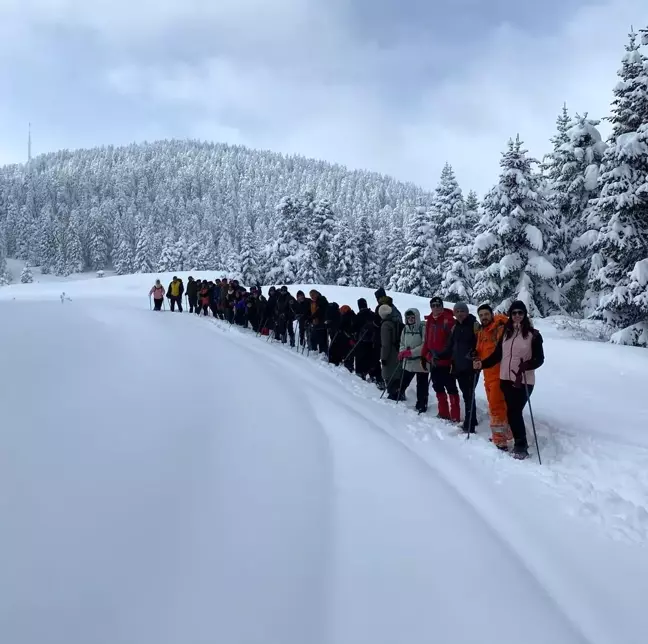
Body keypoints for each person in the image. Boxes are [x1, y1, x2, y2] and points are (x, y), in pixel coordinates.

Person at [474, 300, 545, 460]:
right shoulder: (506, 333)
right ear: (510, 315)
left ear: (525, 314)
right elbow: (497, 355)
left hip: (523, 380)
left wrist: (527, 365)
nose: (517, 316)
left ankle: (521, 445)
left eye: (520, 313)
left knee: (514, 411)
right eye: (514, 313)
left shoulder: (533, 335)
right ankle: (512, 437)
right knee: (510, 411)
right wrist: (482, 364)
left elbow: (540, 359)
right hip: (504, 379)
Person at [435, 301, 479, 432]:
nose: (460, 314)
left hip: (471, 366)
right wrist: (439, 355)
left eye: (462, 311)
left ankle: (469, 424)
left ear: (467, 312)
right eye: (457, 311)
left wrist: (474, 354)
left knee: (468, 394)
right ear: (454, 313)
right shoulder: (455, 327)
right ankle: (472, 418)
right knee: (467, 393)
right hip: (458, 366)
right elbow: (450, 346)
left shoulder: (474, 326)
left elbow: (479, 345)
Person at [476, 304, 511, 450]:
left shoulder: (499, 328)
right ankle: (507, 433)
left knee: (496, 408)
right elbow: (480, 350)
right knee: (497, 406)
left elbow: (501, 352)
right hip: (487, 375)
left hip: (498, 375)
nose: (484, 317)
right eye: (481, 315)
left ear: (491, 314)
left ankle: (499, 440)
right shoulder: (482, 332)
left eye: (486, 314)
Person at [420, 296, 459, 420]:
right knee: (437, 387)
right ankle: (443, 413)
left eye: (438, 305)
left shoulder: (449, 320)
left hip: (447, 362)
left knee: (451, 388)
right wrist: (424, 355)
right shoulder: (430, 321)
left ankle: (455, 416)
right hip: (433, 361)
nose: (436, 308)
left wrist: (451, 358)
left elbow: (453, 343)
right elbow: (427, 341)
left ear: (442, 306)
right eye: (433, 305)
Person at [398, 308, 428, 413]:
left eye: (412, 317)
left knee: (422, 385)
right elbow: (401, 343)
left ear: (416, 317)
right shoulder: (405, 329)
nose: (410, 319)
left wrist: (412, 352)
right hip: (408, 361)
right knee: (403, 381)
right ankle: (398, 395)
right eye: (408, 317)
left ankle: (422, 404)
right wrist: (402, 352)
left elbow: (425, 345)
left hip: (421, 361)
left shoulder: (422, 328)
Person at [379, 304, 404, 401]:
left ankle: (393, 395)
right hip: (398, 351)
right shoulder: (396, 322)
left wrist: (383, 357)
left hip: (390, 355)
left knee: (389, 375)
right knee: (397, 374)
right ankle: (399, 393)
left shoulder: (385, 325)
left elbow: (385, 344)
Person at [354, 298, 379, 381]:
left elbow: (355, 328)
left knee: (360, 358)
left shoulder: (358, 316)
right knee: (373, 359)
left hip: (362, 341)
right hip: (373, 341)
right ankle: (375, 376)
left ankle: (360, 374)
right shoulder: (372, 314)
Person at [309, 290, 329, 354]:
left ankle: (322, 353)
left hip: (322, 322)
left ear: (317, 294)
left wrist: (311, 317)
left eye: (313, 295)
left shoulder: (322, 300)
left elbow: (320, 311)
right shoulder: (314, 302)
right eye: (311, 295)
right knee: (315, 338)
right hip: (317, 323)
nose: (312, 297)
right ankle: (317, 351)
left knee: (322, 339)